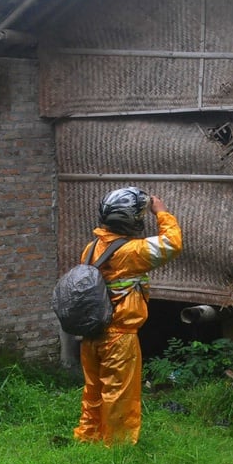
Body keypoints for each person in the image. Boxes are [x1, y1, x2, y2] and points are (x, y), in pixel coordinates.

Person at [73, 187, 182, 446]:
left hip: (91, 334)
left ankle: (89, 436)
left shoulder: (92, 248)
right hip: (119, 336)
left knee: (94, 391)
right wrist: (162, 213)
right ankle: (118, 447)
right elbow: (172, 244)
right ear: (131, 219)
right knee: (119, 393)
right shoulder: (132, 252)